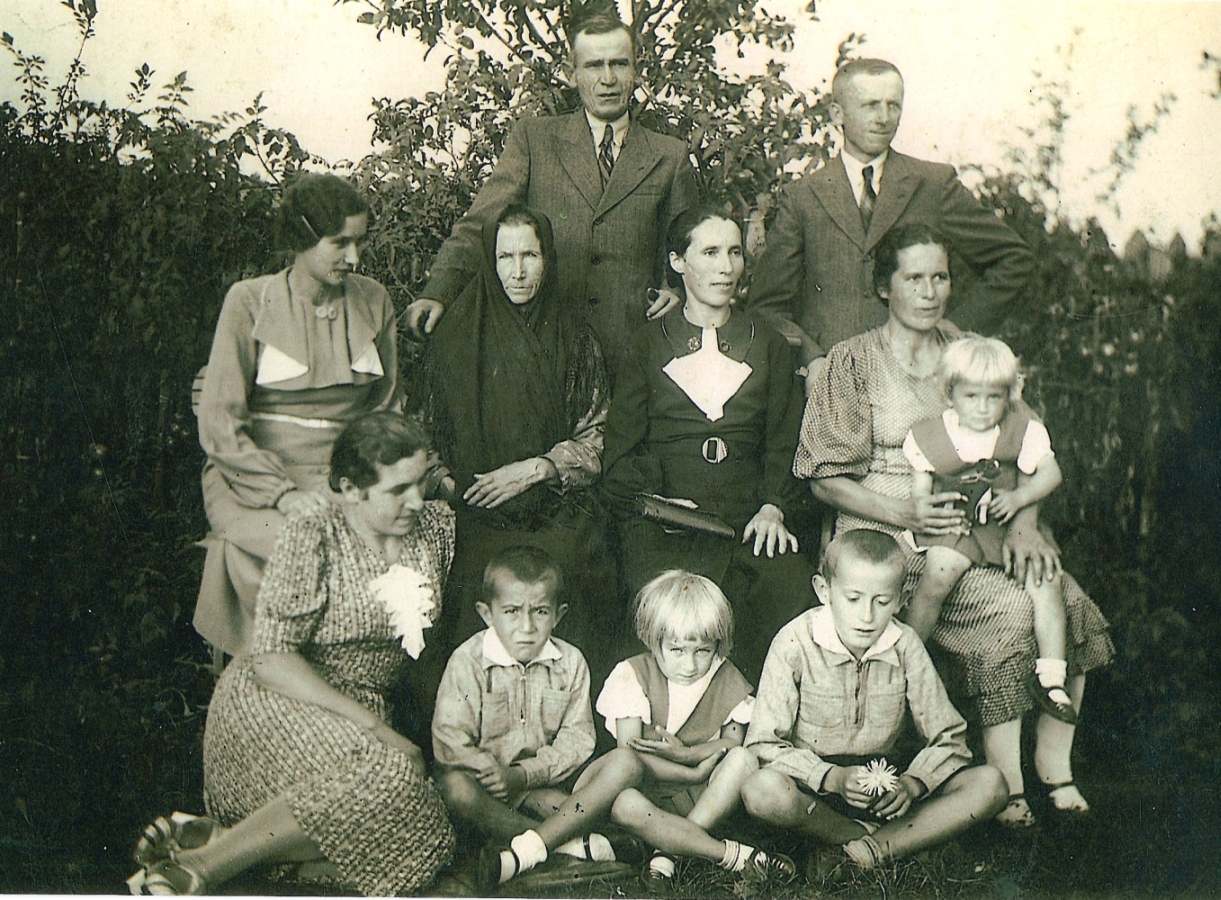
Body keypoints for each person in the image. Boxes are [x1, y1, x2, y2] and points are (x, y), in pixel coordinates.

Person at [794, 222, 1113, 827]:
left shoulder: (971, 351)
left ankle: (1056, 770)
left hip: (982, 530)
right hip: (883, 539)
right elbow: (821, 476)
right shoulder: (852, 361)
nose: (928, 290)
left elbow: (1027, 448)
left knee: (1065, 594)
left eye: (939, 276)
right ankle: (1002, 784)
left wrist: (1024, 520)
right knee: (1015, 612)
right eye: (912, 278)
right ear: (883, 287)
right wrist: (903, 512)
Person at [129, 412, 455, 896]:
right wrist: (377, 729)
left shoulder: (433, 527)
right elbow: (271, 658)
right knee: (395, 783)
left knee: (431, 839)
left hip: (356, 712)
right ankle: (203, 867)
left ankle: (223, 844)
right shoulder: (313, 534)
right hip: (276, 701)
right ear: (351, 488)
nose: (415, 500)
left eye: (420, 483)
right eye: (397, 490)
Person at [406, 12, 697, 371]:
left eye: (619, 64)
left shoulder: (670, 156)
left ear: (636, 70)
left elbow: (692, 251)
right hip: (546, 348)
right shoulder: (535, 140)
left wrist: (678, 292)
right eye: (593, 66)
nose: (607, 79)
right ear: (571, 73)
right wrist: (439, 292)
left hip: (634, 354)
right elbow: (480, 224)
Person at [602, 205, 814, 682]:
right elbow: (621, 450)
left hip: (747, 514)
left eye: (735, 252)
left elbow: (784, 440)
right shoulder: (647, 344)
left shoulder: (769, 344)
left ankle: (760, 724)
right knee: (653, 592)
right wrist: (658, 497)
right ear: (678, 262)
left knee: (783, 582)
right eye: (710, 252)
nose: (726, 267)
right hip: (669, 515)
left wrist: (772, 507)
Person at [195, 173, 400, 656]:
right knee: (293, 544)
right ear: (301, 239)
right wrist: (281, 494)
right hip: (251, 476)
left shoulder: (374, 301)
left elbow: (387, 408)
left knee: (376, 548)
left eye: (360, 242)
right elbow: (220, 422)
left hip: (344, 473)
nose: (355, 258)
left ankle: (339, 683)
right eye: (340, 243)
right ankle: (258, 679)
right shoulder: (249, 302)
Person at [747, 58, 1033, 395]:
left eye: (893, 105)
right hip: (833, 388)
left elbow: (1014, 259)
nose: (884, 118)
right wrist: (811, 359)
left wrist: (951, 334)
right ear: (837, 114)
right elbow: (766, 306)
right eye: (870, 106)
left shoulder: (933, 185)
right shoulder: (803, 198)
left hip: (920, 383)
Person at [421, 203, 616, 682]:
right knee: (471, 586)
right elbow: (420, 435)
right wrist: (450, 485)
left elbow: (598, 436)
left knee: (576, 574)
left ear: (548, 259)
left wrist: (539, 468)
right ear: (490, 261)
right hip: (476, 511)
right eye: (505, 257)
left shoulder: (575, 338)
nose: (518, 271)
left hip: (555, 508)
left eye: (530, 255)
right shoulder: (455, 336)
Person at [741, 530, 1008, 869]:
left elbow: (951, 737)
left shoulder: (905, 644)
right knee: (761, 790)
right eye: (853, 599)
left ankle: (867, 850)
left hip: (886, 788)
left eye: (881, 602)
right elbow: (762, 745)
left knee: (991, 785)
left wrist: (913, 784)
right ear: (824, 591)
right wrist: (832, 778)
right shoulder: (795, 642)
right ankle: (869, 838)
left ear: (901, 599)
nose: (866, 617)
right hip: (815, 790)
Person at [432, 546, 644, 893]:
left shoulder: (570, 662)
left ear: (558, 615)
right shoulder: (468, 661)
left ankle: (525, 852)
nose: (527, 627)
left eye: (540, 612)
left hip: (543, 787)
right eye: (512, 612)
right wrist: (497, 775)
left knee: (627, 762)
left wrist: (524, 776)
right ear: (487, 614)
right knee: (455, 788)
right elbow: (450, 740)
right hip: (486, 789)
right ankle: (567, 845)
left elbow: (577, 739)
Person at [903, 336, 1076, 723]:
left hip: (1003, 526)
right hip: (957, 525)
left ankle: (1052, 679)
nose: (983, 408)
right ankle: (905, 656)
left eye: (994, 397)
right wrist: (923, 507)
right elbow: (921, 488)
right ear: (950, 393)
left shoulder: (1022, 429)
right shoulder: (931, 434)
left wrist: (1019, 499)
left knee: (1046, 581)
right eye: (972, 396)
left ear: (1008, 395)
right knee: (938, 573)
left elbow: (1052, 473)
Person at [598, 570, 796, 888]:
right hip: (650, 792)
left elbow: (732, 743)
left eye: (702, 650)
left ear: (718, 644)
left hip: (705, 798)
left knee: (744, 760)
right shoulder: (631, 675)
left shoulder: (726, 677)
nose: (690, 665)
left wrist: (688, 753)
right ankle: (726, 853)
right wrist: (688, 770)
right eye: (676, 650)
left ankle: (668, 851)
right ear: (653, 640)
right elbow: (628, 757)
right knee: (624, 804)